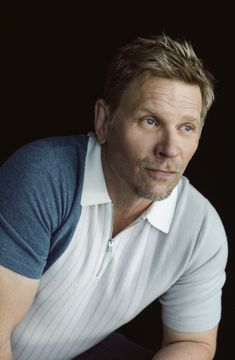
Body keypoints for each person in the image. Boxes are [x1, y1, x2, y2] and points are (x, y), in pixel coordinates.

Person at [0, 34, 228, 360]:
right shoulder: (43, 178)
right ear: (105, 121)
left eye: (186, 128)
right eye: (150, 121)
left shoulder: (200, 229)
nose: (170, 149)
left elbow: (192, 343)